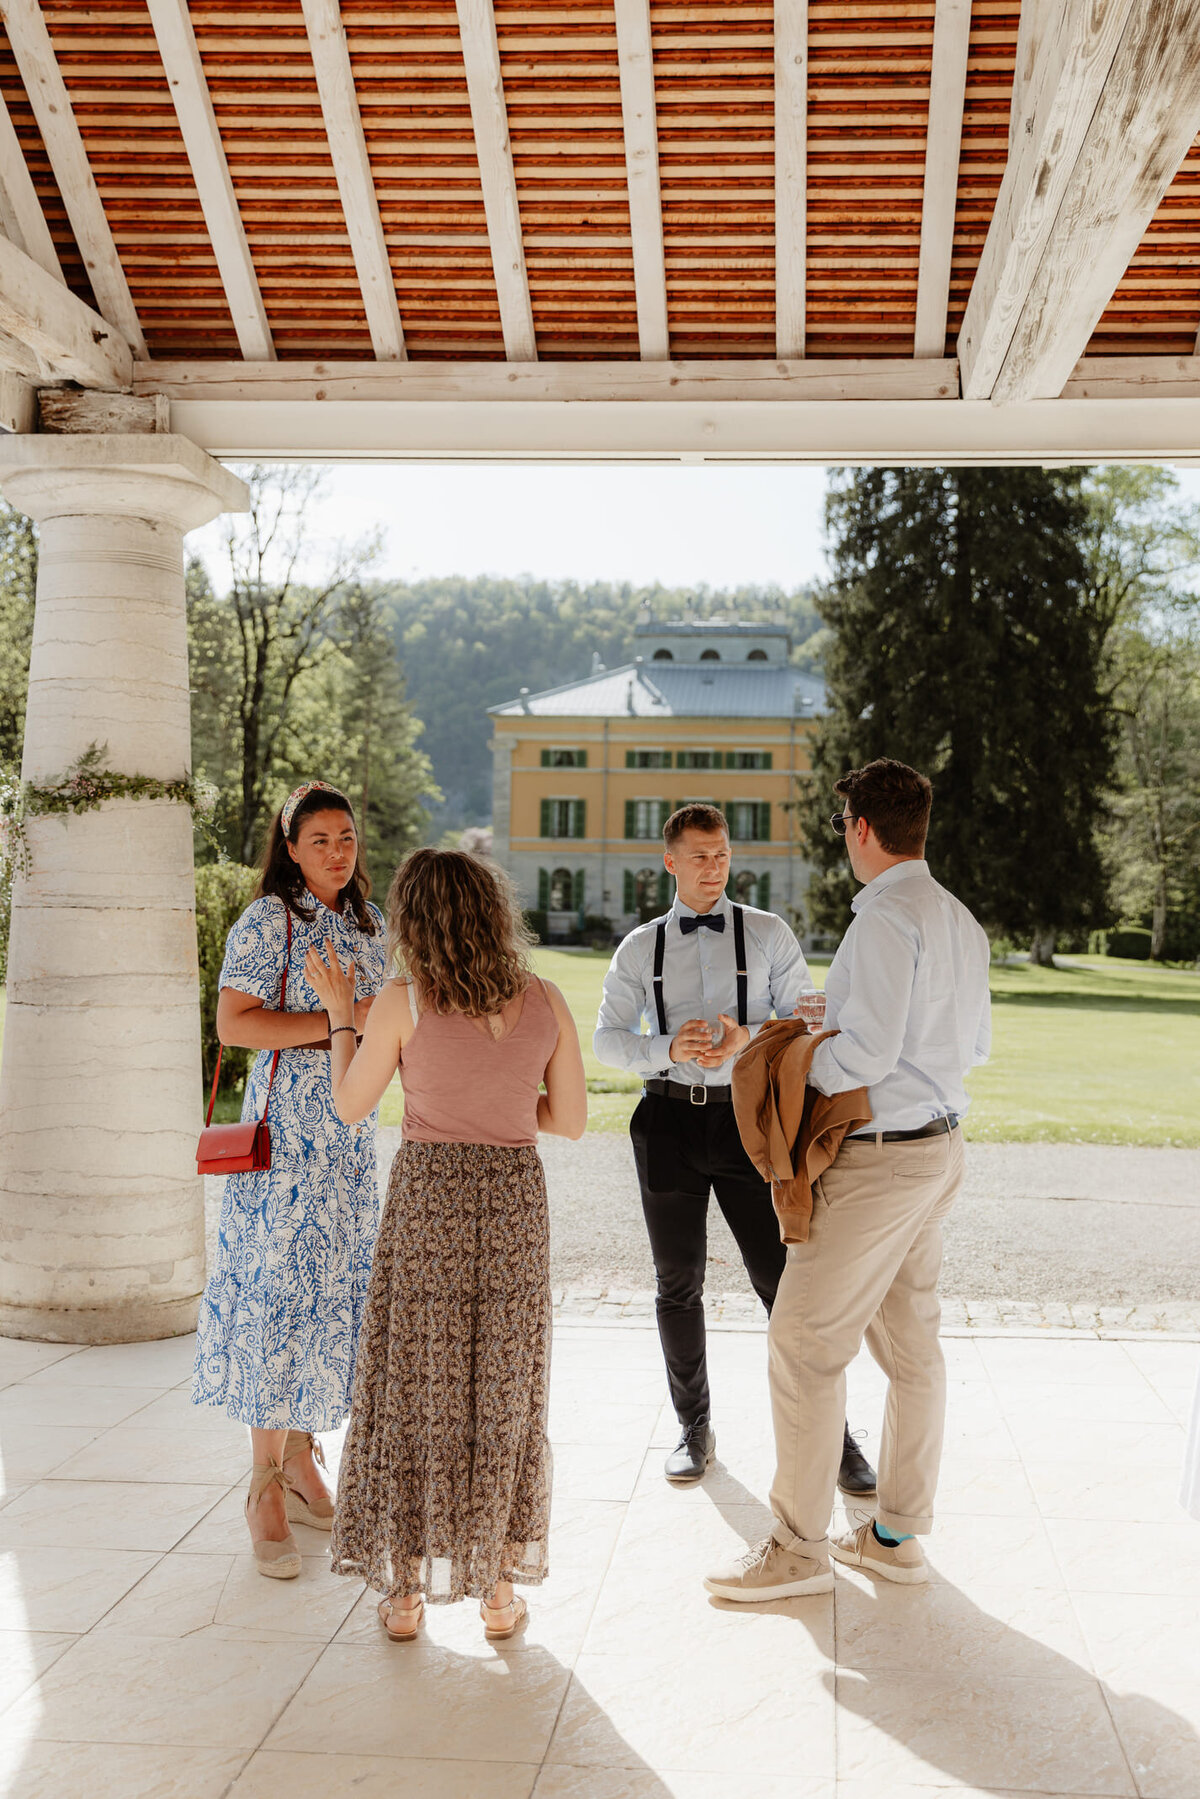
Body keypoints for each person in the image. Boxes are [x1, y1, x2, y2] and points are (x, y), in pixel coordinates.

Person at [705, 758, 991, 1602]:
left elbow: (865, 1057)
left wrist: (792, 1054)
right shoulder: (956, 917)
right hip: (939, 1149)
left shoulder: (880, 920)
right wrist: (844, 1018)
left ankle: (797, 1549)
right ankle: (896, 1535)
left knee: (802, 1342)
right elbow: (968, 1045)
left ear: (861, 828)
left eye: (842, 826)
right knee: (912, 1348)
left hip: (880, 1162)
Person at [304, 847, 587, 1642]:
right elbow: (567, 1119)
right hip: (512, 1206)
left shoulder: (403, 1002)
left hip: (430, 1198)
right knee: (501, 1389)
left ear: (414, 920)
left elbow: (353, 1105)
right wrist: (498, 1103)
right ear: (493, 912)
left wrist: (340, 1019)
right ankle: (498, 1591)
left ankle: (403, 1596)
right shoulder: (546, 998)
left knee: (416, 1387)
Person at [594, 803, 877, 1494]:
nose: (713, 866)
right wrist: (666, 1046)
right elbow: (605, 1039)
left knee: (784, 1283)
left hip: (750, 1119)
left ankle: (834, 1437)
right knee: (677, 1283)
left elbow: (807, 1019)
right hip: (666, 1122)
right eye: (698, 855)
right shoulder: (639, 947)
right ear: (670, 861)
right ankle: (694, 1428)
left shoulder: (768, 933)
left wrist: (745, 1037)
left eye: (720, 854)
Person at [193, 781, 387, 1580]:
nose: (338, 852)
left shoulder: (370, 922)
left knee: (332, 1298)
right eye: (321, 840)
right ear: (291, 845)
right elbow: (234, 1022)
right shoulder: (268, 919)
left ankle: (307, 1462)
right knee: (275, 1302)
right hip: (282, 1149)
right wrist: (338, 1022)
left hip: (349, 1145)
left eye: (347, 837)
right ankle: (263, 1486)